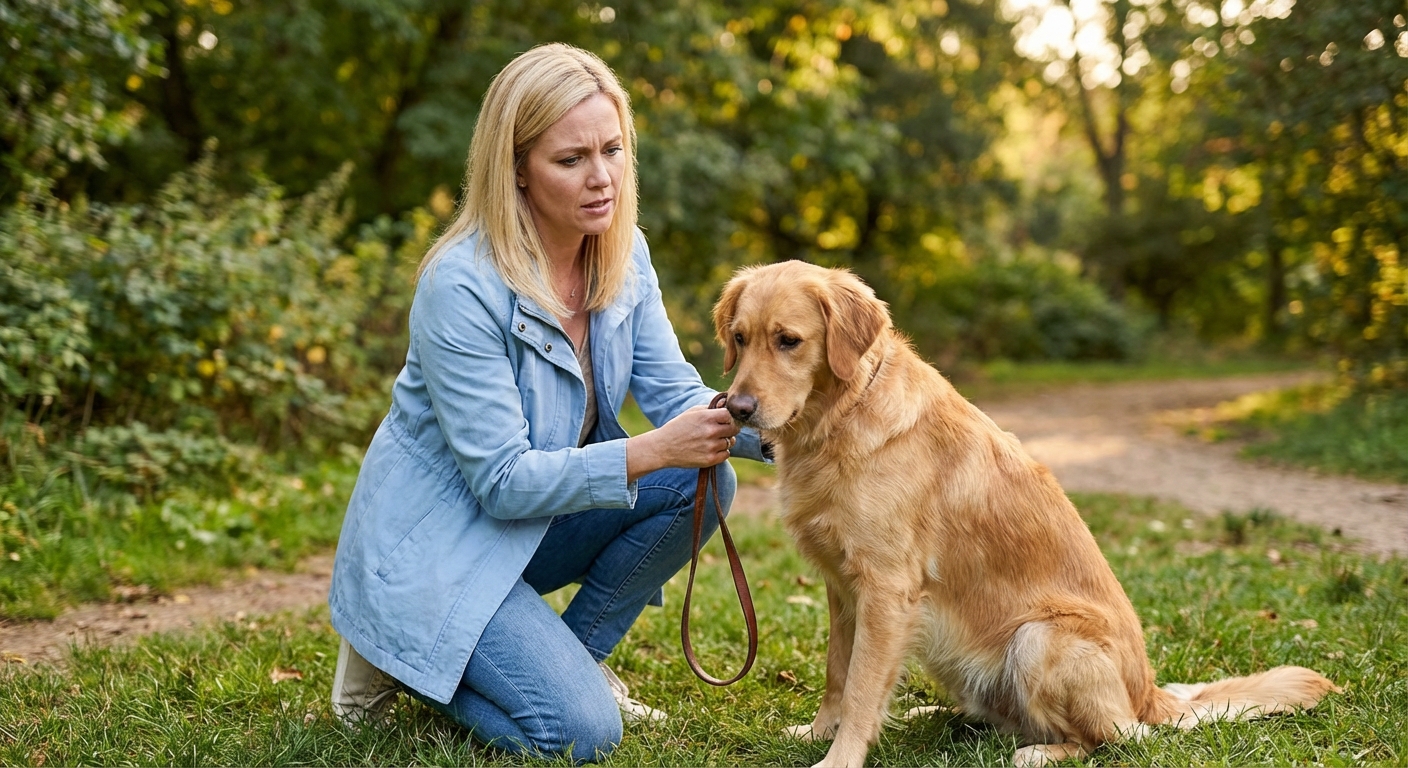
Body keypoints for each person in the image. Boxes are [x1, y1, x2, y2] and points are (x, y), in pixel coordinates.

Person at [326, 42, 767, 763]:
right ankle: (405, 664)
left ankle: (569, 658)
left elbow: (680, 397)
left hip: (529, 531)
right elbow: (502, 483)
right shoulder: (460, 287)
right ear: (518, 170)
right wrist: (652, 449)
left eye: (614, 150)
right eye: (571, 160)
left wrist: (793, 428)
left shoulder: (624, 258)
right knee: (582, 736)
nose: (603, 179)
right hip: (443, 551)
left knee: (707, 479)